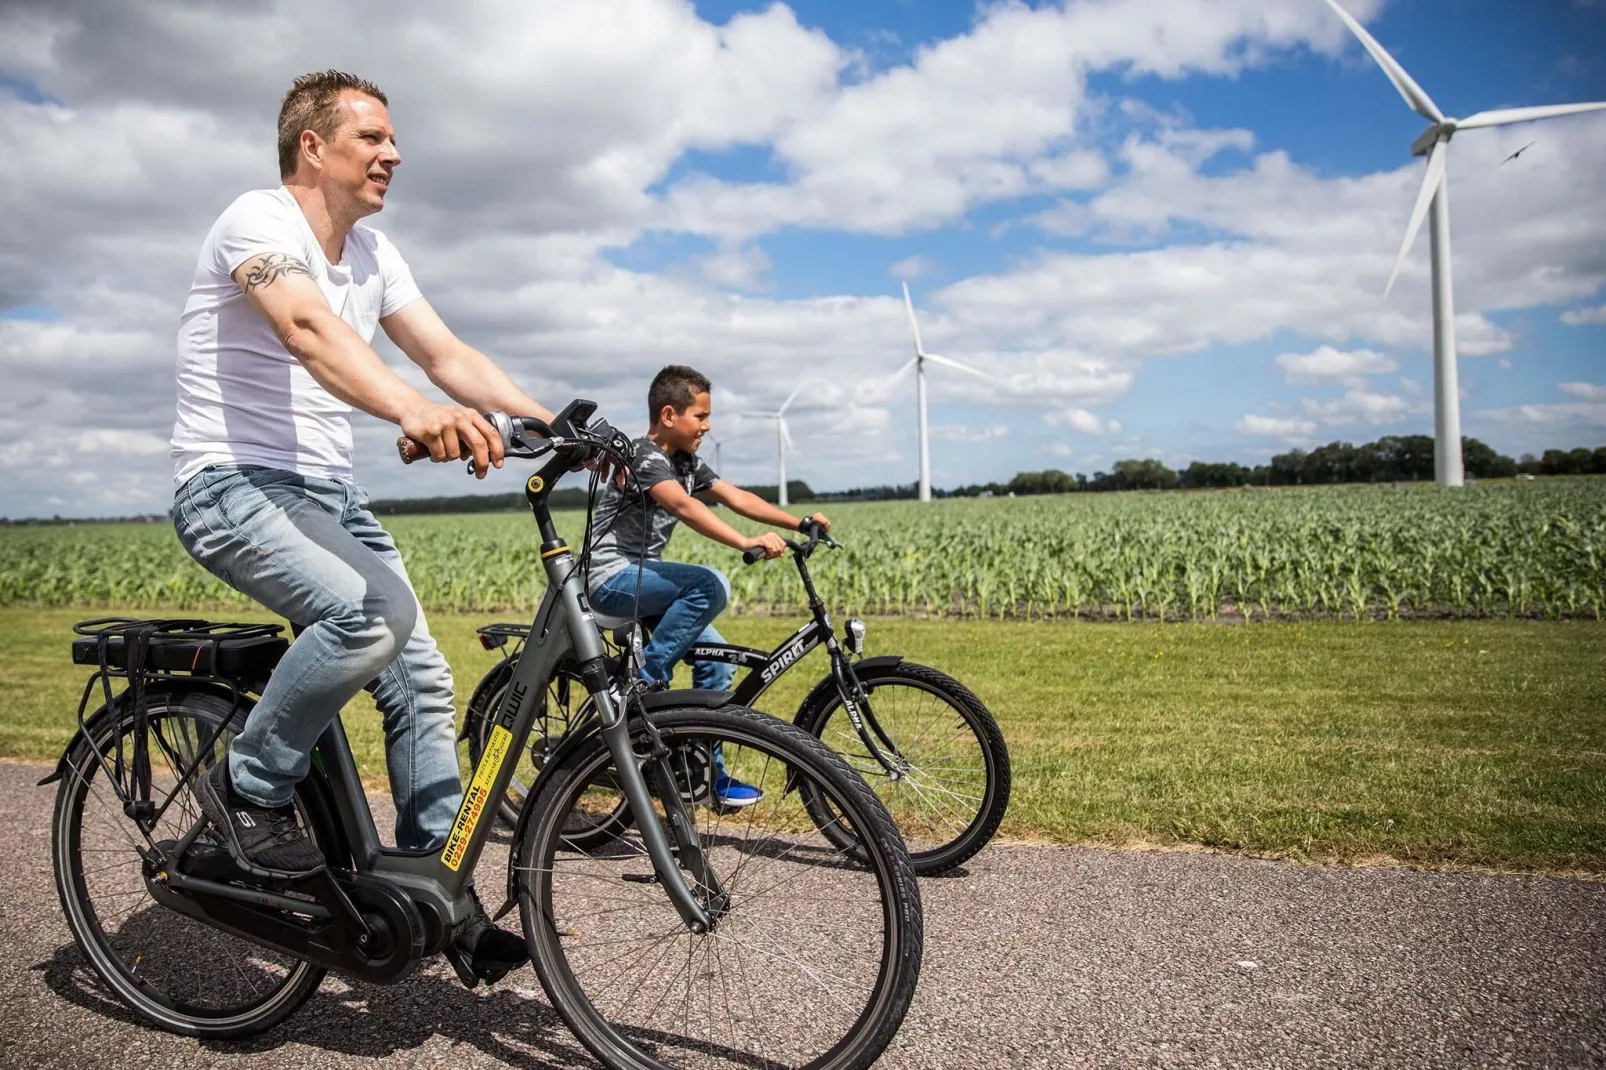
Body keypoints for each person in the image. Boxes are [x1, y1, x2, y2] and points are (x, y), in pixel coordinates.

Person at [170, 70, 535, 979]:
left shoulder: (374, 254)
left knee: (424, 681)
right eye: (372, 138)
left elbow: (447, 354)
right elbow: (304, 327)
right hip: (232, 485)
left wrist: (557, 426)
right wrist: (411, 412)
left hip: (329, 497)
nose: (393, 153)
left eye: (392, 139)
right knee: (367, 617)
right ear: (314, 147)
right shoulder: (257, 221)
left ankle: (437, 896)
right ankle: (242, 798)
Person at [586, 365, 830, 806]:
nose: (707, 425)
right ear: (668, 415)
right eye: (700, 416)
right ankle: (642, 684)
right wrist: (743, 540)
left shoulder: (685, 463)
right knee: (709, 583)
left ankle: (705, 779)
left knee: (717, 662)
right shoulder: (643, 457)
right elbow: (681, 506)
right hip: (610, 577)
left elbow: (737, 497)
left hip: (644, 580)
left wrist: (800, 521)